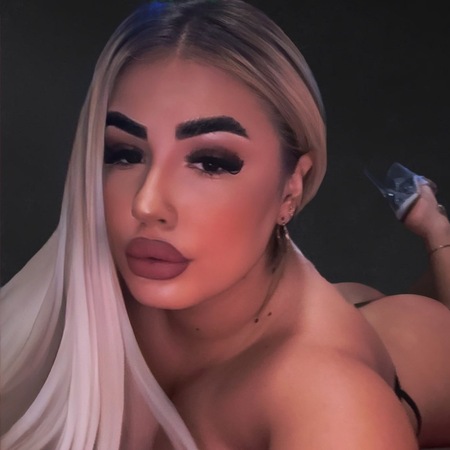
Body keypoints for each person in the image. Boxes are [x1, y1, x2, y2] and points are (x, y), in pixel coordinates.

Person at [1, 1, 449, 448]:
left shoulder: (335, 403)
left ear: (292, 185)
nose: (146, 204)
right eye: (123, 153)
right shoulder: (87, 279)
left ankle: (437, 231)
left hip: (421, 344)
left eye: (211, 162)